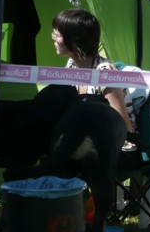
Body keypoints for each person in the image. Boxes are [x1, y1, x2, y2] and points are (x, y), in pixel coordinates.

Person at [51, 9, 136, 141]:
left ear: (75, 40)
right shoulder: (71, 65)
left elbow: (124, 128)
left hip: (113, 144)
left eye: (57, 35)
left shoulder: (105, 74)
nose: (53, 38)